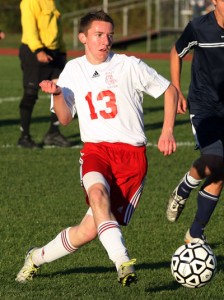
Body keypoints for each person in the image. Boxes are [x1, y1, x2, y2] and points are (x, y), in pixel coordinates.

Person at [15, 10, 178, 286]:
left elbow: (169, 90)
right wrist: (57, 94)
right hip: (96, 152)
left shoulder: (129, 65)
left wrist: (167, 131)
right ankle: (122, 261)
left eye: (109, 36)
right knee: (98, 194)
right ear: (83, 38)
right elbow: (65, 119)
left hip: (132, 158)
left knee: (87, 231)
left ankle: (36, 257)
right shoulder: (73, 70)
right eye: (99, 35)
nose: (106, 41)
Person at [166, 0, 224, 244]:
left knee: (221, 172)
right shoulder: (199, 27)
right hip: (204, 106)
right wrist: (177, 89)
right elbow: (176, 51)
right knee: (215, 160)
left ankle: (195, 232)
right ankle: (186, 186)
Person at [18, 0, 71, 148]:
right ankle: (24, 136)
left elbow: (57, 29)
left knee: (59, 90)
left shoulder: (52, 2)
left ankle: (53, 132)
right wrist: (38, 50)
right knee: (30, 94)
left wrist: (62, 50)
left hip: (55, 52)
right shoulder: (29, 2)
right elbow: (30, 28)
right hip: (34, 51)